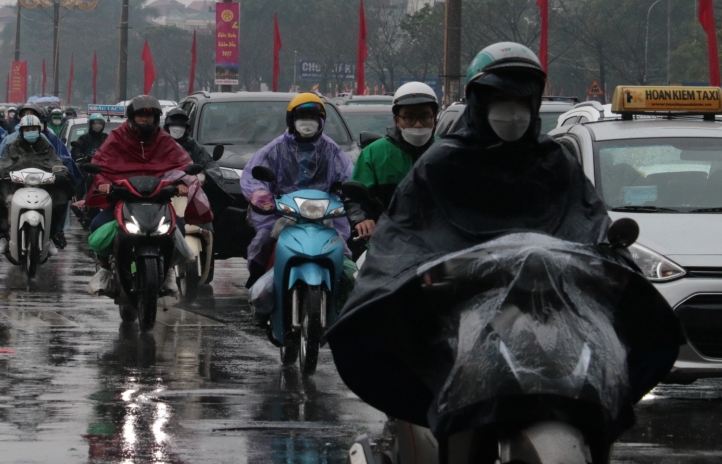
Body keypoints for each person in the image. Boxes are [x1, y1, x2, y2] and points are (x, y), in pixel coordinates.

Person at [327, 42, 682, 441]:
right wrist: (419, 274)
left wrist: (609, 260)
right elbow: (407, 234)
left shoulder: (556, 162)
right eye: (500, 99)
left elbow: (589, 225)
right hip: (465, 319)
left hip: (553, 316)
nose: (511, 111)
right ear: (479, 102)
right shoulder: (442, 164)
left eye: (520, 99)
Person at [85, 96, 212, 279]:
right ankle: (104, 269)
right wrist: (102, 183)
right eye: (140, 115)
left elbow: (181, 165)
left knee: (179, 228)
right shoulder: (117, 137)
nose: (145, 119)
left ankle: (168, 270)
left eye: (150, 116)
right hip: (125, 197)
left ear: (156, 118)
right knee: (97, 224)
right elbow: (100, 164)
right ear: (131, 116)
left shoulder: (164, 139)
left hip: (158, 199)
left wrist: (183, 183)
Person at [239, 93, 354, 287]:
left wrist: (348, 195)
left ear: (322, 121)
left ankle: (346, 289)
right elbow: (253, 175)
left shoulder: (332, 150)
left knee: (342, 248)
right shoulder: (274, 149)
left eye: (312, 118)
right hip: (282, 213)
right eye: (302, 118)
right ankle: (257, 284)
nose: (307, 123)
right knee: (262, 242)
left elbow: (348, 177)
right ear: (291, 121)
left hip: (322, 214)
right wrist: (261, 196)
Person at [350, 82, 439, 240]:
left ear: (435, 118)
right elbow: (356, 198)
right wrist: (362, 219)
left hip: (439, 243)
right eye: (409, 117)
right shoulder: (374, 153)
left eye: (425, 116)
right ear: (396, 120)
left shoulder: (448, 152)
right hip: (387, 242)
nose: (418, 124)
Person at [0, 114, 71, 258]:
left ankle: (52, 235)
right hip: (16, 185)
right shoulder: (12, 145)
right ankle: (3, 236)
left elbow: (55, 161)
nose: (31, 132)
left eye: (34, 128)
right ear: (21, 130)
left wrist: (60, 171)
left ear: (39, 130)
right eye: (27, 129)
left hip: (42, 185)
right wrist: (2, 173)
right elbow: (3, 163)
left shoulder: (46, 145)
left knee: (60, 202)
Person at [162, 108, 221, 182]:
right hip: (164, 187)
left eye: (181, 125)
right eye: (174, 124)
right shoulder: (160, 144)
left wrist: (205, 176)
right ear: (167, 126)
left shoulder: (192, 145)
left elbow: (209, 164)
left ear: (186, 128)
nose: (177, 128)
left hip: (191, 186)